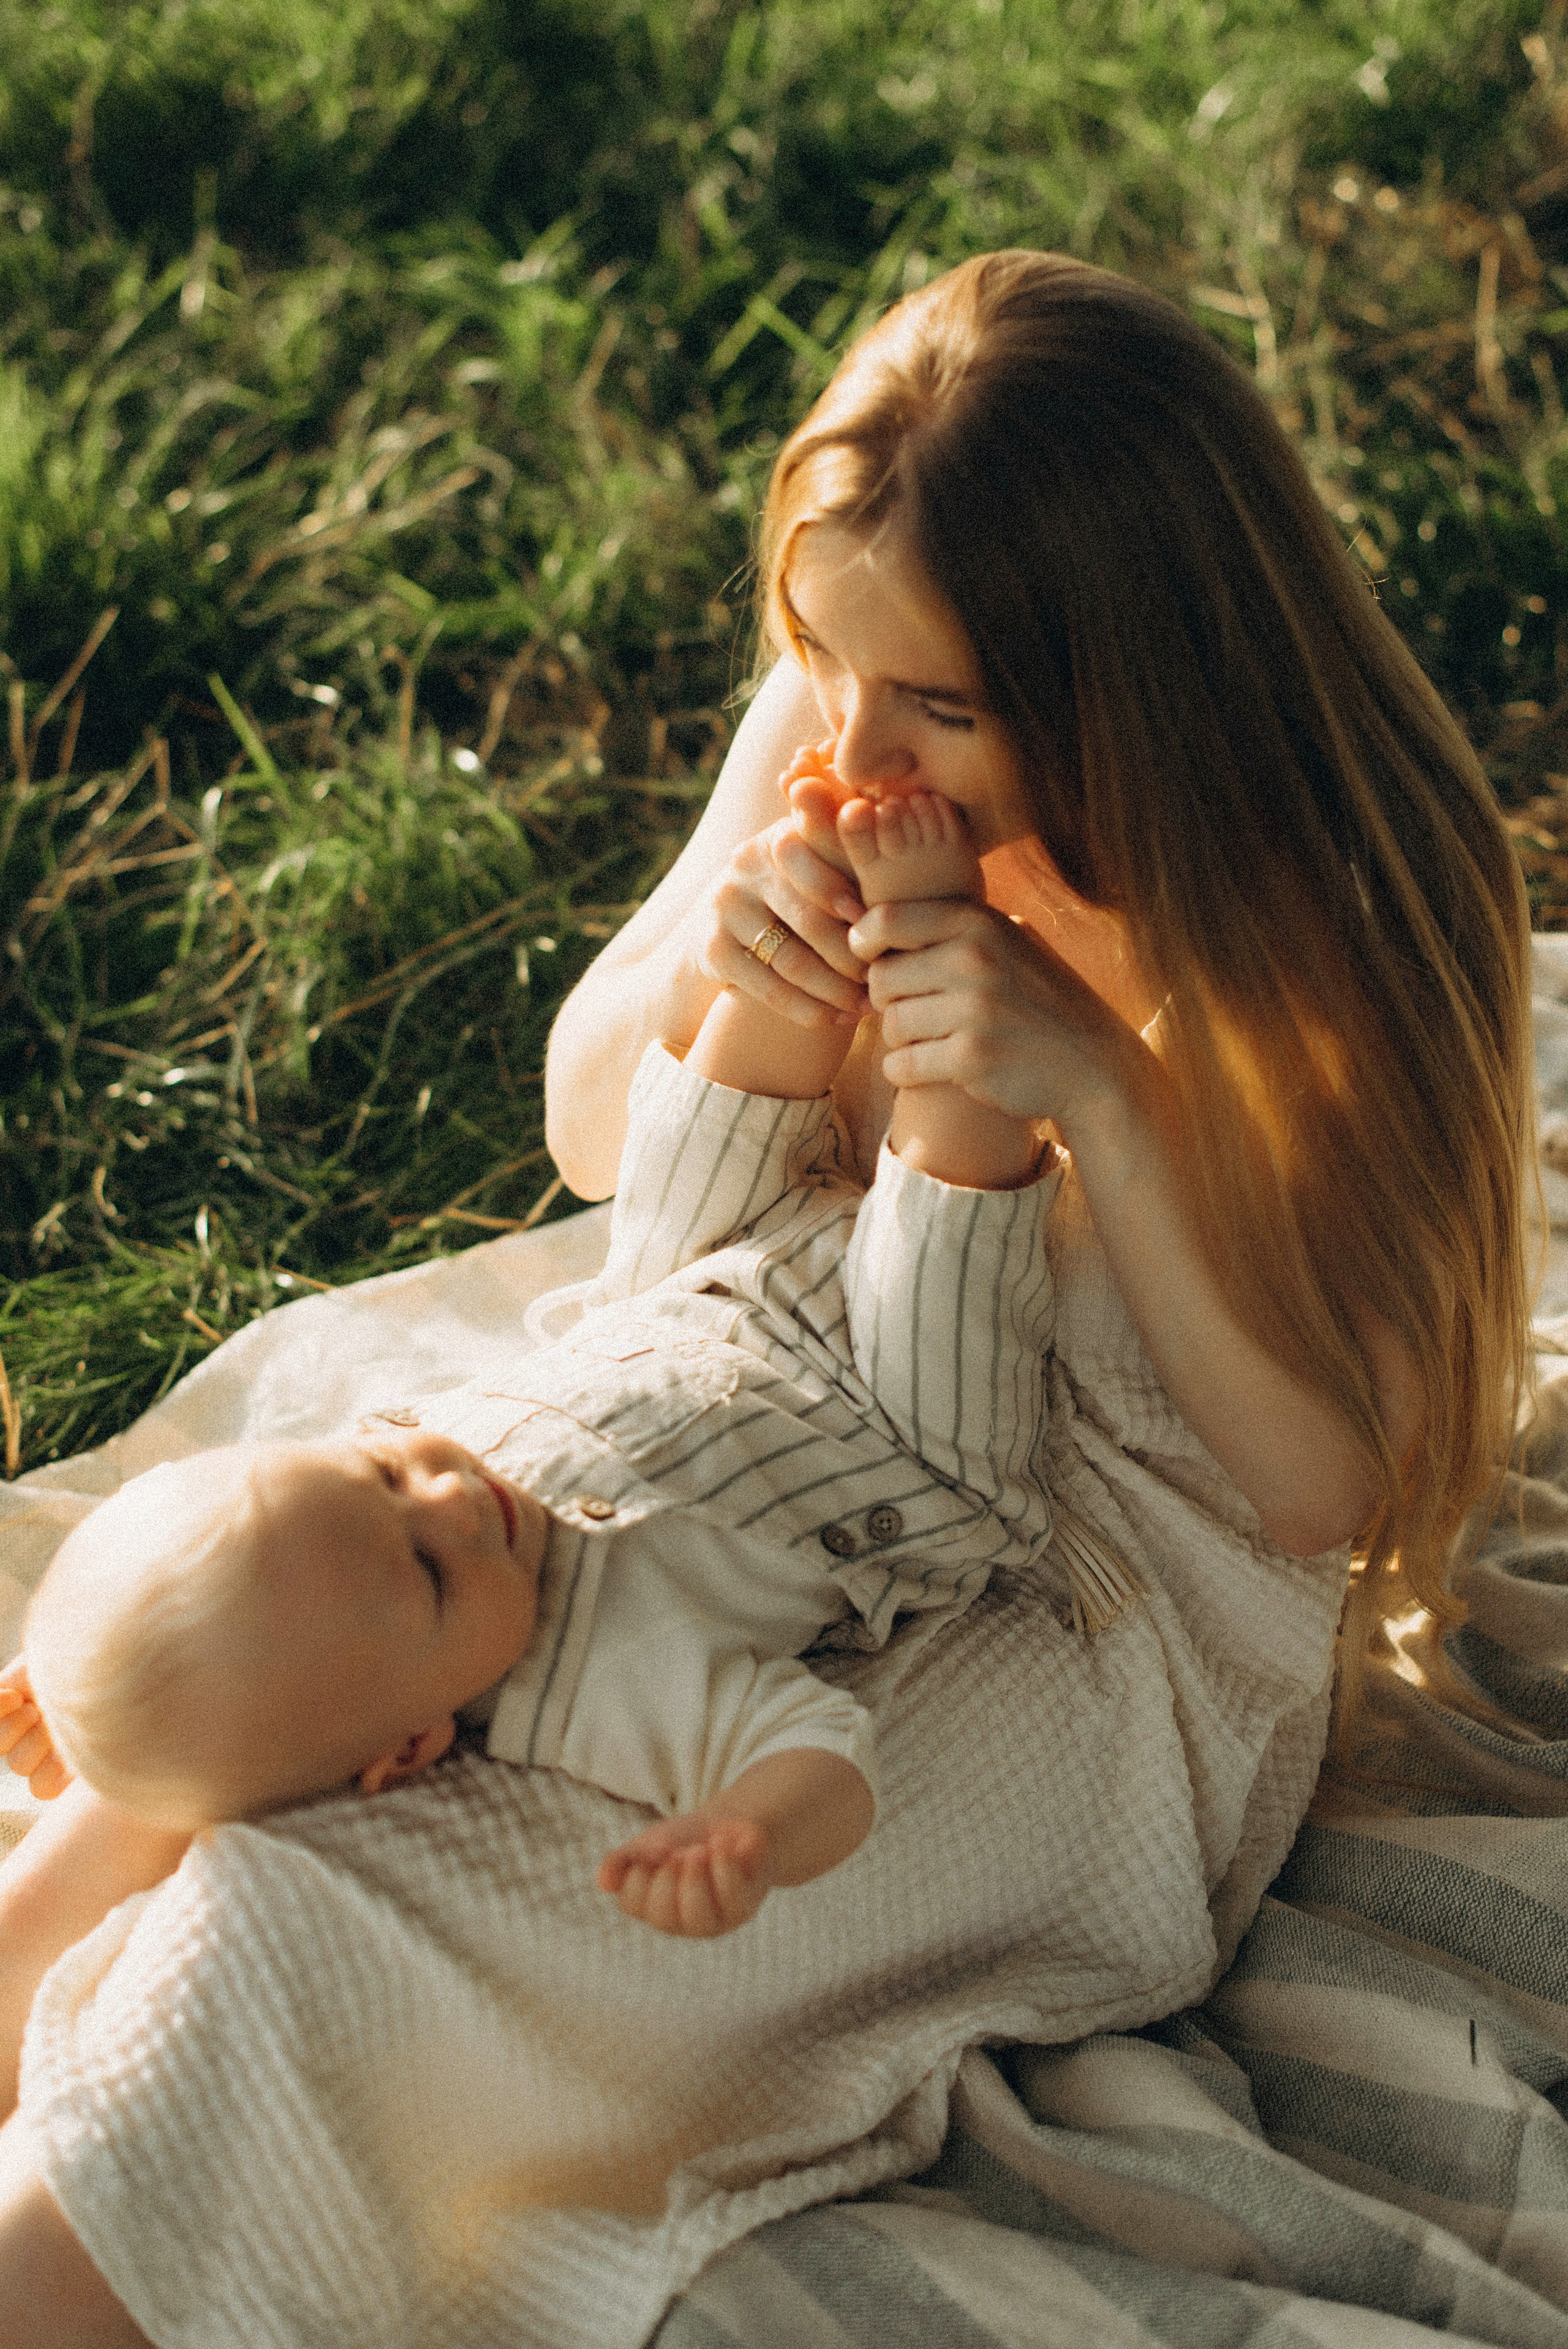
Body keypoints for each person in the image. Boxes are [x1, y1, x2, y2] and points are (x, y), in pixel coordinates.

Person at [0, 248, 1532, 2349]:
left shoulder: (1317, 928)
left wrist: (1104, 1089)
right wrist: (726, 961)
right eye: (832, 664)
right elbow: (603, 1132)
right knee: (283, 1624)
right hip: (753, 1384)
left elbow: (1314, 1481)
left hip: (1073, 1619)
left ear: (1127, 689)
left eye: (939, 704)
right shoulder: (834, 715)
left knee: (328, 1923)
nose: (860, 740)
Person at [0, 782, 1078, 1959]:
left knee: (705, 1129)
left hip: (682, 1295)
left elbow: (212, 1597)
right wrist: (750, 1832)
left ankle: (815, 921)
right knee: (951, 1201)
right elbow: (820, 1755)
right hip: (893, 1428)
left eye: (383, 1472)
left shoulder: (343, 1557)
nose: (453, 1495)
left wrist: (75, 1680)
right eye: (428, 1568)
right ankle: (940, 944)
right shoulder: (602, 1686)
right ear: (410, 1750)